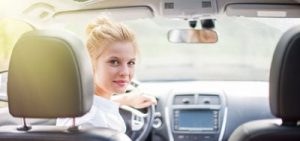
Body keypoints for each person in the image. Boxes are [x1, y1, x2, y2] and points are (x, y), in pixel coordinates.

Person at [56, 17, 157, 133]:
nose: (125, 72)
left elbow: (99, 103)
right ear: (89, 63)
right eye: (114, 62)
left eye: (131, 63)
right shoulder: (97, 123)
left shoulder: (75, 106)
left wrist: (125, 99)